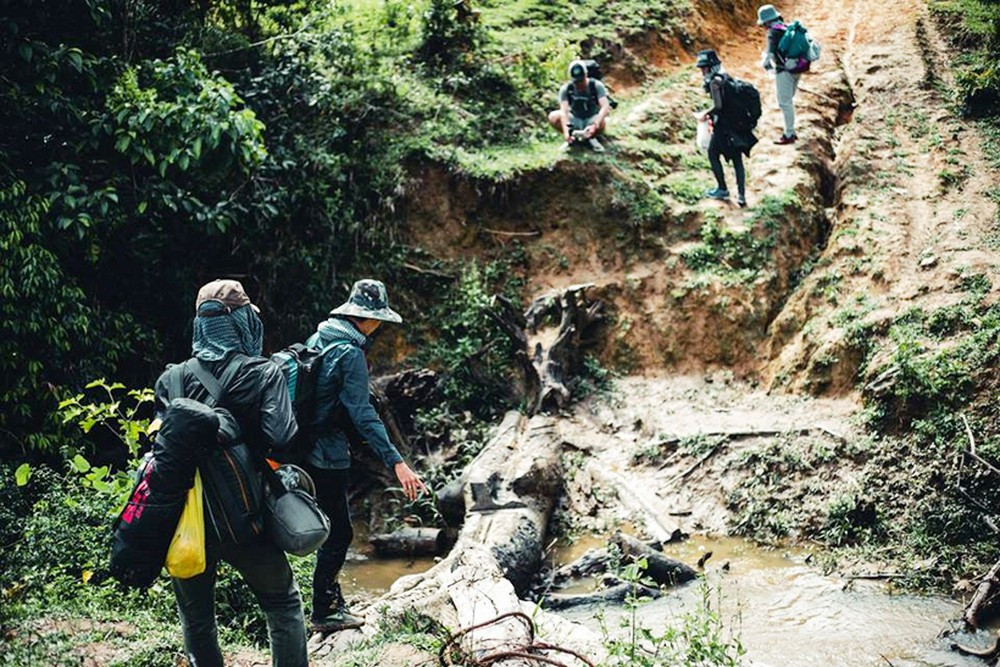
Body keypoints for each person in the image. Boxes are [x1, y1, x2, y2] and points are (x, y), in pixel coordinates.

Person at [153, 279, 307, 667]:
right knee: (282, 602)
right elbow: (281, 436)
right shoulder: (262, 372)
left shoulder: (170, 379)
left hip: (184, 518)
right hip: (245, 516)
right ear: (242, 322)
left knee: (197, 616)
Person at [304, 279, 426, 633]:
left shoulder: (321, 338)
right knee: (340, 532)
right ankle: (324, 610)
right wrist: (397, 461)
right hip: (327, 455)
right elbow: (362, 413)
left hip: (304, 448)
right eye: (380, 321)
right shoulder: (350, 352)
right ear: (370, 318)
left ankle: (329, 601)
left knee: (329, 527)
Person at [696, 50, 757, 207]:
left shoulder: (714, 83)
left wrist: (705, 114)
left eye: (704, 68)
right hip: (737, 124)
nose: (702, 71)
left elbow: (718, 105)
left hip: (724, 126)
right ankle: (741, 196)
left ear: (710, 68)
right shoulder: (725, 76)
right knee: (737, 160)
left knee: (713, 153)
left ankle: (722, 188)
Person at [758, 3, 801, 144]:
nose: (763, 28)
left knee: (784, 103)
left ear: (767, 22)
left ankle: (789, 135)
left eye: (763, 24)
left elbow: (770, 53)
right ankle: (791, 131)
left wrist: (766, 63)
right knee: (788, 100)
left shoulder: (773, 32)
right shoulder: (786, 27)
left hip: (784, 70)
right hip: (797, 67)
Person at [548, 60, 611, 153]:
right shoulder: (566, 89)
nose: (579, 84)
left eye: (581, 80)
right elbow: (564, 111)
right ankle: (572, 138)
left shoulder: (596, 85)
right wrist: (566, 130)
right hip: (575, 118)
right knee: (553, 116)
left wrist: (595, 124)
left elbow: (605, 106)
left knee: (602, 119)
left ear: (586, 75)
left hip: (592, 118)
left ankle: (592, 138)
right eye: (576, 82)